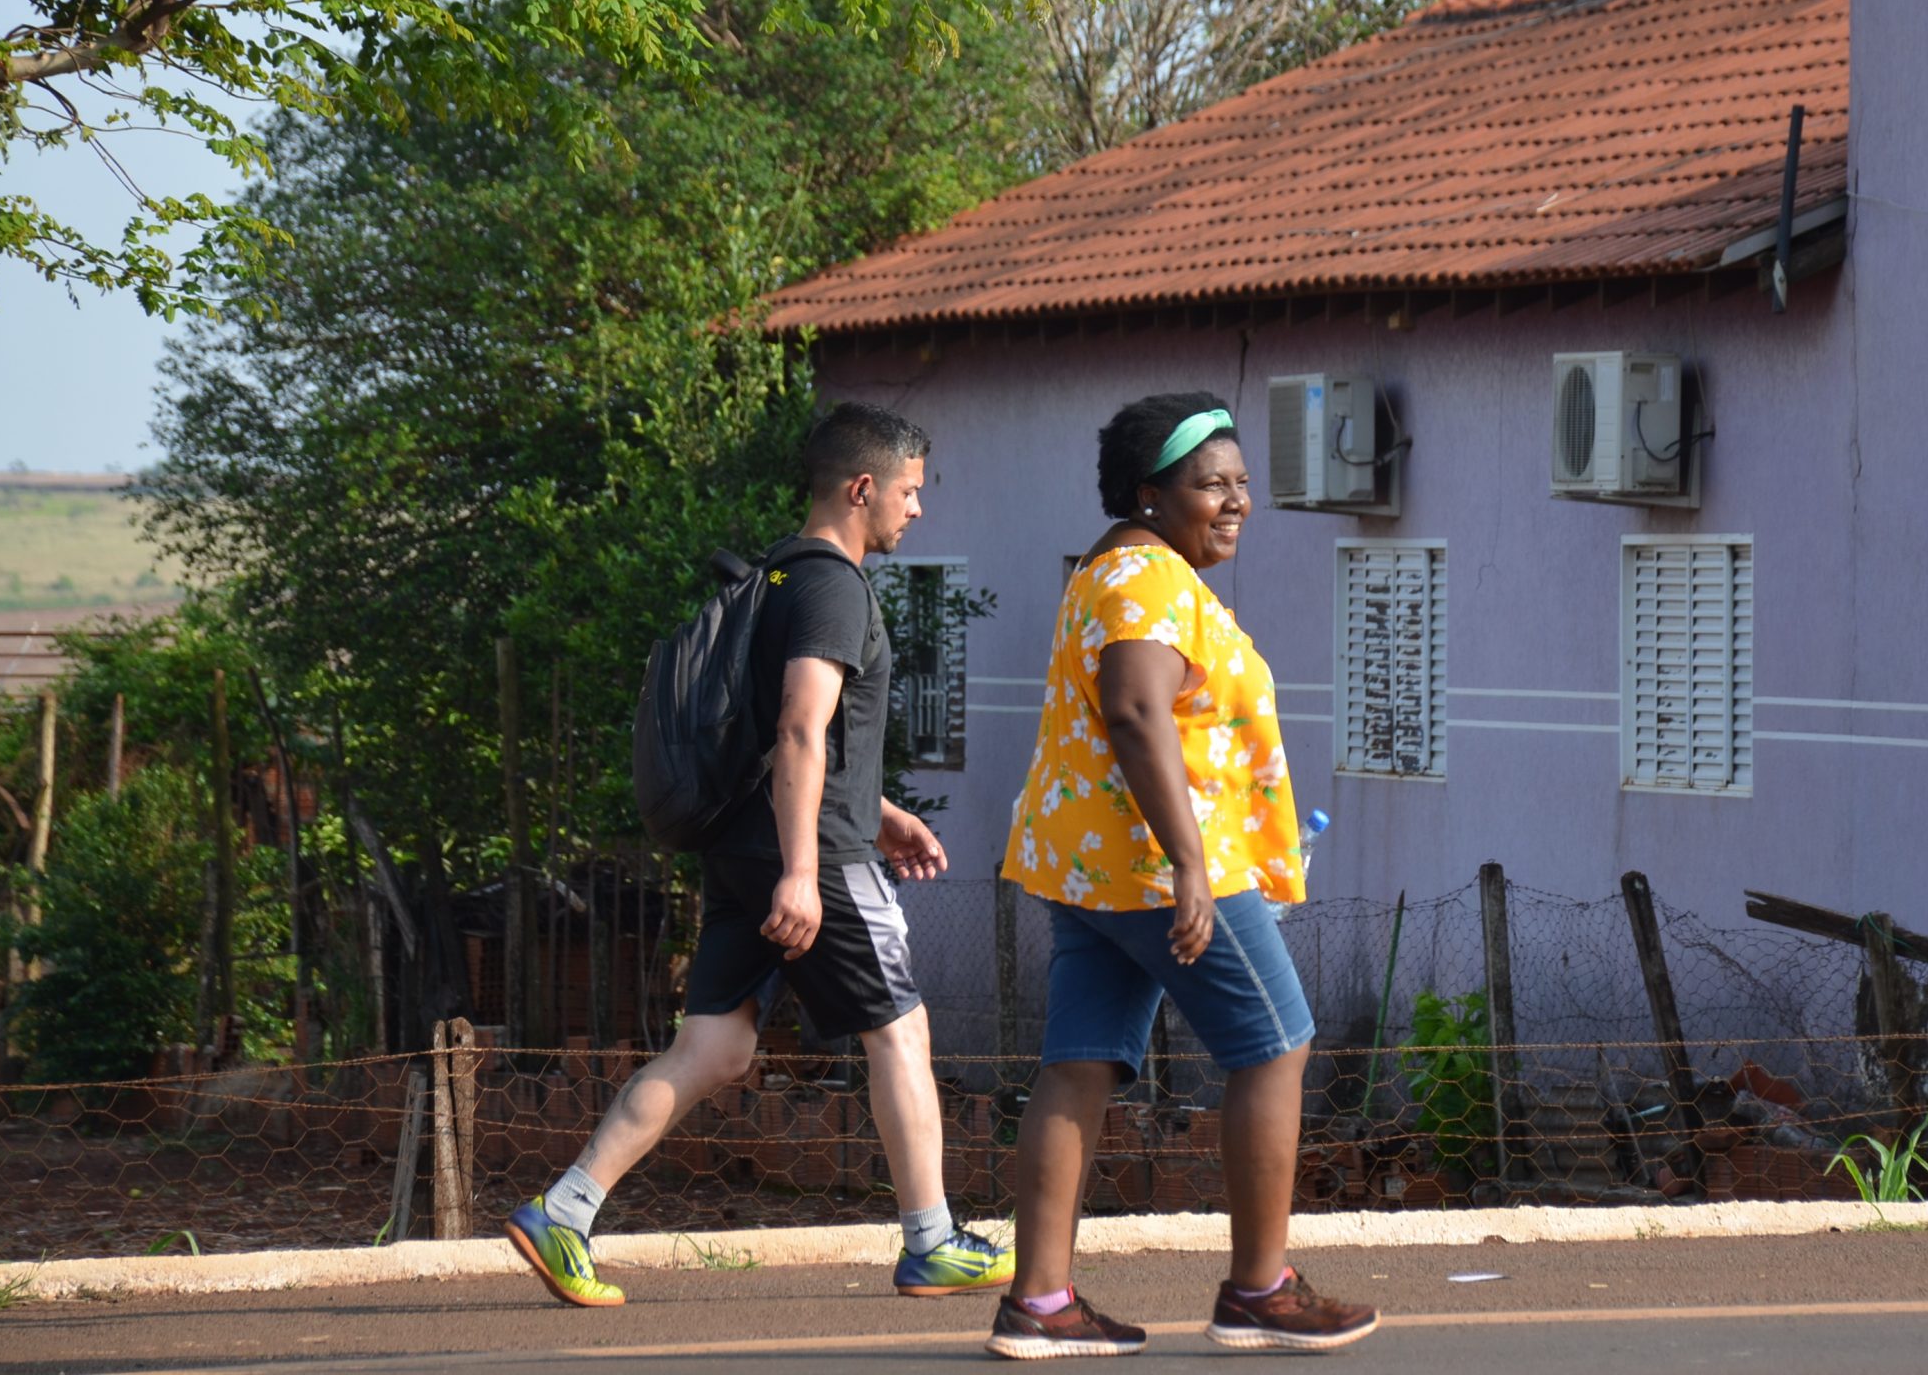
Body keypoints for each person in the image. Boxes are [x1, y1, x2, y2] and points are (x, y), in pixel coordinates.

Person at [506, 403, 1012, 1307]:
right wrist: (806, 872)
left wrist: (882, 808)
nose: (917, 510)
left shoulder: (774, 576)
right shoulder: (835, 587)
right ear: (863, 489)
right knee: (899, 1029)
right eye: (910, 491)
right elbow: (798, 728)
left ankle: (564, 1210)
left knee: (715, 1047)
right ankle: (932, 1240)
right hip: (805, 851)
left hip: (745, 847)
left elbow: (798, 742)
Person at [984, 392, 1379, 1360]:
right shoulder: (1150, 581)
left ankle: (1039, 1303)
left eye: (1243, 483)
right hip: (1162, 872)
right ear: (1148, 493)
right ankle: (1260, 1288)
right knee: (1276, 1043)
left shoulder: (1113, 572)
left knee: (1079, 1063)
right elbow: (1133, 710)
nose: (1235, 501)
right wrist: (1193, 863)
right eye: (1211, 484)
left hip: (1089, 866)